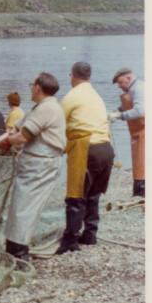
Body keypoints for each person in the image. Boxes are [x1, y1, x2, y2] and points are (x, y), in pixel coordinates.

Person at [0, 73, 66, 261]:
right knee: (19, 205)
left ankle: (19, 252)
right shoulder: (38, 108)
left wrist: (6, 143)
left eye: (33, 84)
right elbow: (13, 131)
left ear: (38, 87)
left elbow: (22, 137)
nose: (31, 88)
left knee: (26, 207)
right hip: (33, 163)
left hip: (42, 164)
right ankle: (14, 247)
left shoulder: (48, 108)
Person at [56, 62, 115, 254]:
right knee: (93, 194)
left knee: (76, 195)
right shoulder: (96, 96)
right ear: (89, 76)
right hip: (106, 148)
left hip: (86, 147)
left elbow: (56, 121)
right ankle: (90, 234)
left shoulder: (72, 96)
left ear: (72, 76)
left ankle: (70, 240)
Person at [108, 67, 145, 197]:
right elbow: (128, 105)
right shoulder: (132, 89)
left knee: (142, 161)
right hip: (136, 132)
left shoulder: (139, 88)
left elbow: (140, 111)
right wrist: (116, 111)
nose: (119, 86)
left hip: (144, 131)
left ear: (129, 78)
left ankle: (141, 192)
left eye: (120, 82)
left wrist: (120, 116)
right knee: (138, 162)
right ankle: (139, 192)